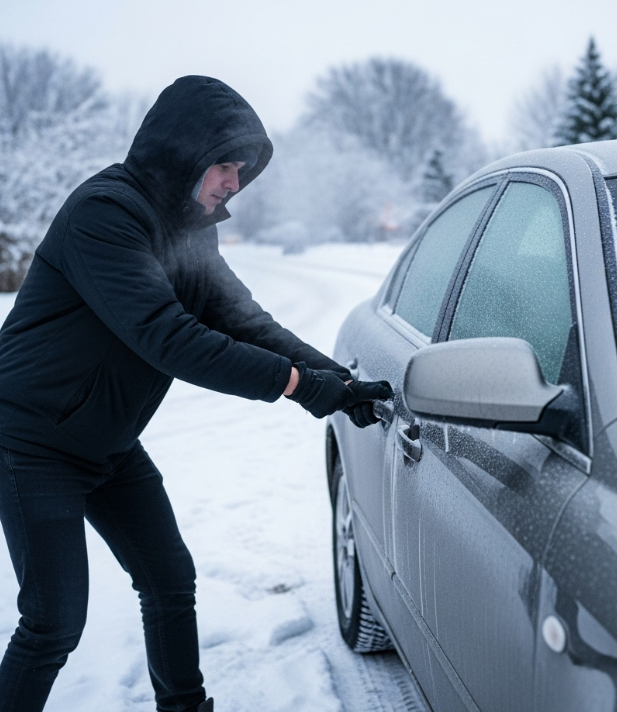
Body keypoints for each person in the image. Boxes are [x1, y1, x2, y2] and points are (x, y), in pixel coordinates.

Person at [0, 75, 392, 712]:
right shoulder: (105, 214)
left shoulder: (190, 228)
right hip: (33, 440)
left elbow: (242, 319)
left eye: (241, 170)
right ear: (184, 152)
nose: (235, 182)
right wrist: (297, 386)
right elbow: (168, 336)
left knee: (169, 580)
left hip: (108, 442)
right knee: (53, 621)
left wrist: (338, 381)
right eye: (225, 165)